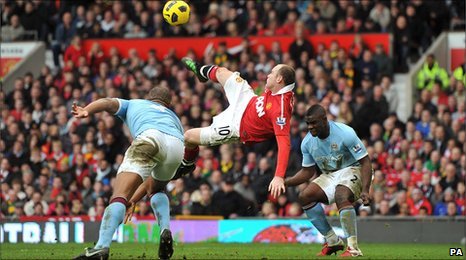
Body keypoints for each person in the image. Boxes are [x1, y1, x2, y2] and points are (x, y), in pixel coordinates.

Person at [73, 86, 184, 260]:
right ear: (168, 104)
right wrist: (134, 200)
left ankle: (101, 247)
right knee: (157, 189)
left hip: (150, 137)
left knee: (119, 196)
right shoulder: (174, 118)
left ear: (148, 97)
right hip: (177, 145)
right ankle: (165, 229)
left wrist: (86, 110)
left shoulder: (134, 103)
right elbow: (149, 184)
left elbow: (107, 102)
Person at [177, 57, 295, 198]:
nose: (268, 74)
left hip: (237, 126)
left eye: (272, 72)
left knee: (189, 137)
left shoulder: (281, 109)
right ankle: (200, 71)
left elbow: (284, 143)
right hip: (247, 99)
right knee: (222, 72)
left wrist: (279, 176)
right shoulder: (275, 89)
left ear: (279, 79)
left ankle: (187, 164)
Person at [284, 104, 373, 257]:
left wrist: (365, 189)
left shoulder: (345, 133)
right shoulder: (307, 143)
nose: (310, 127)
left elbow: (366, 162)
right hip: (331, 174)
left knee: (341, 195)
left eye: (314, 123)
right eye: (308, 123)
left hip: (354, 168)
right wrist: (285, 182)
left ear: (324, 120)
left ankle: (353, 249)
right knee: (305, 196)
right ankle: (333, 241)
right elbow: (308, 171)